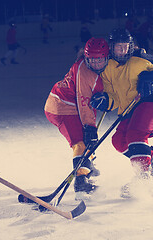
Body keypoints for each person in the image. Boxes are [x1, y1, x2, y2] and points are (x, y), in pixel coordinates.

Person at [90, 29, 153, 198]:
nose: (122, 51)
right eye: (118, 47)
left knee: (135, 134)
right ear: (111, 48)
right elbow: (113, 95)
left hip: (152, 99)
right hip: (130, 107)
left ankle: (143, 178)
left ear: (130, 47)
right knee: (119, 141)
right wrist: (106, 101)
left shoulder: (140, 57)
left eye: (125, 47)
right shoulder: (108, 67)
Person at [44, 37, 109, 199]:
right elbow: (83, 103)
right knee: (80, 142)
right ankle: (81, 183)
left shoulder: (103, 67)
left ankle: (86, 166)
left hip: (74, 107)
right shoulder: (85, 72)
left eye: (100, 61)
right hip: (62, 107)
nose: (96, 65)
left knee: (88, 142)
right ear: (86, 58)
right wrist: (90, 128)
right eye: (92, 61)